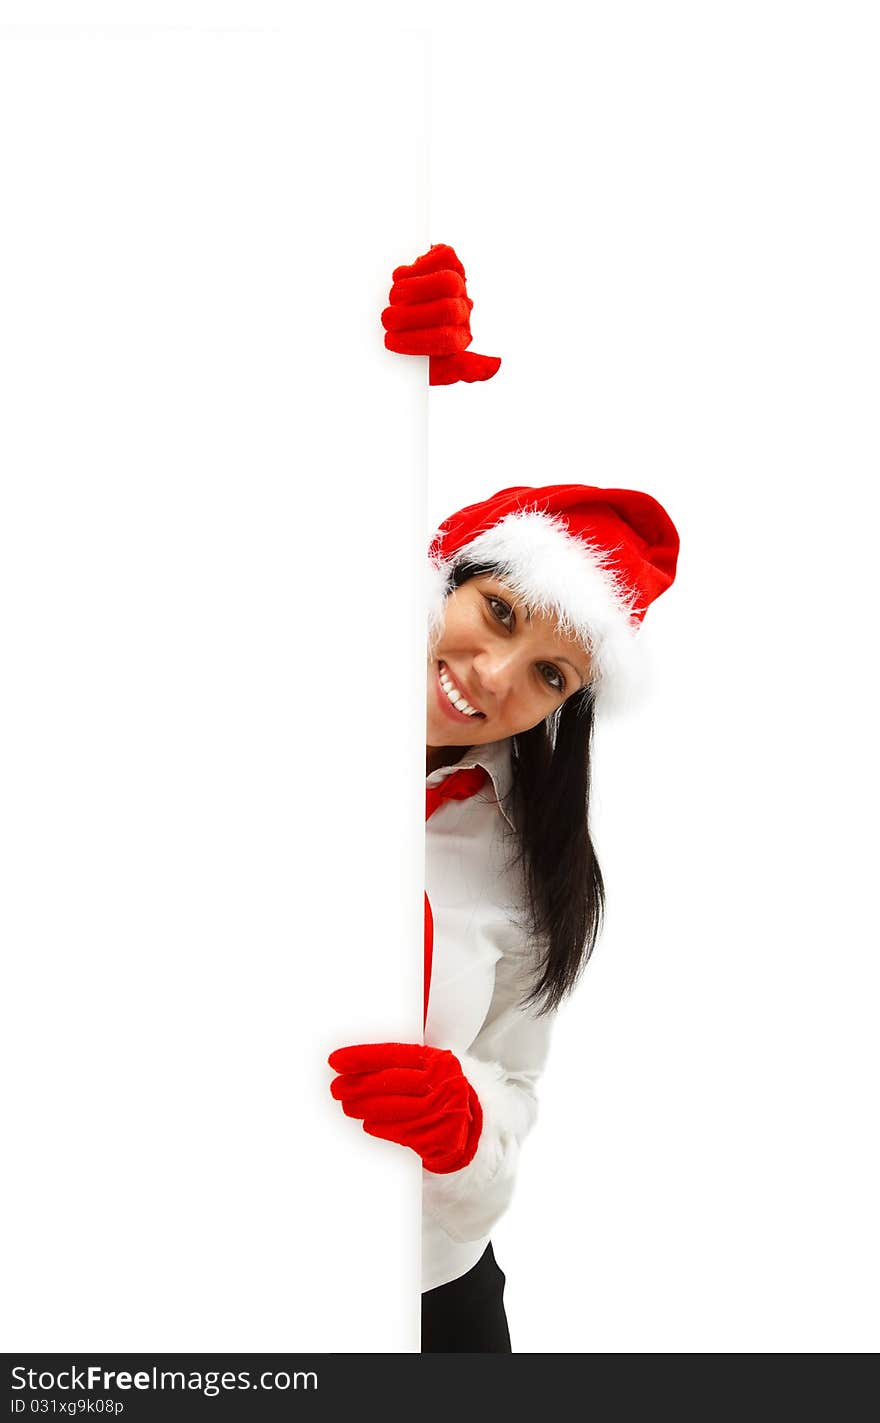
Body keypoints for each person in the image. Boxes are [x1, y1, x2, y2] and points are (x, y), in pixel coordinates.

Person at [327, 251, 680, 1353]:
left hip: (427, 1292)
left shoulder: (538, 867)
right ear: (442, 574)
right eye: (499, 609)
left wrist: (460, 1120)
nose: (496, 675)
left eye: (552, 677)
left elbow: (515, 1091)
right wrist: (360, 376)